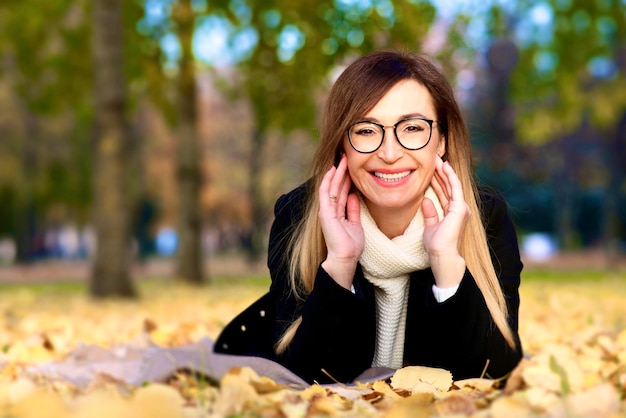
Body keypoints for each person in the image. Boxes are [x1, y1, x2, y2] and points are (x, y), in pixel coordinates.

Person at [215, 49, 523, 384]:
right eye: (365, 130)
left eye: (413, 128)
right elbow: (303, 379)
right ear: (341, 145)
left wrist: (445, 260)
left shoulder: (484, 218)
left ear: (442, 141)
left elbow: (492, 374)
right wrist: (340, 264)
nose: (389, 153)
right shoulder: (298, 216)